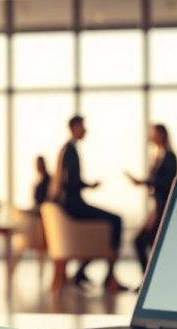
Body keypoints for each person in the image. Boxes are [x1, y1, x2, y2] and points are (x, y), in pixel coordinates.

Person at [49, 115, 126, 292]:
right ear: (74, 127)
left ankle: (85, 272)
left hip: (71, 205)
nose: (86, 130)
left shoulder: (66, 149)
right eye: (83, 126)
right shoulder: (69, 150)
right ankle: (109, 276)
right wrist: (88, 185)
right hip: (74, 206)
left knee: (106, 226)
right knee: (116, 220)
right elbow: (70, 181)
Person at [127, 124, 177, 275]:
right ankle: (148, 277)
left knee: (145, 241)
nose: (150, 136)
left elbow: (168, 182)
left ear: (161, 135)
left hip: (163, 208)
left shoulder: (169, 156)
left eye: (153, 133)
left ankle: (150, 277)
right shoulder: (157, 155)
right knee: (143, 241)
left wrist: (144, 181)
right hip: (156, 207)